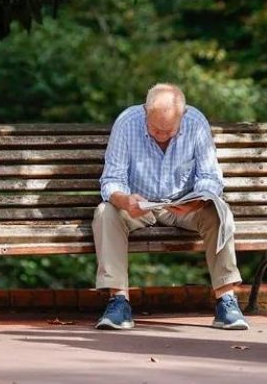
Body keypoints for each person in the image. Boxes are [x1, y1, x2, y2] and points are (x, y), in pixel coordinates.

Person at [92, 83, 248, 331]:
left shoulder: (195, 123)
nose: (162, 135)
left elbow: (211, 177)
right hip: (140, 207)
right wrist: (125, 200)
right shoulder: (126, 123)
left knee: (219, 211)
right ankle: (118, 302)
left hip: (185, 205)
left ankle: (226, 300)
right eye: (155, 129)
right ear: (145, 112)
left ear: (182, 116)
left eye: (169, 130)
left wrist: (196, 200)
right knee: (105, 212)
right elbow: (111, 180)